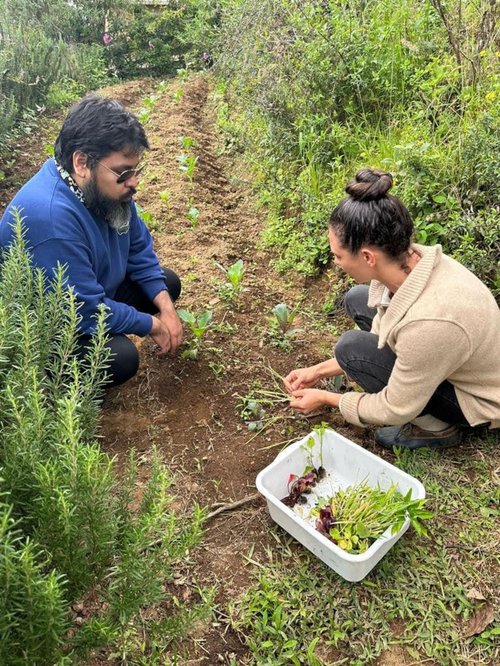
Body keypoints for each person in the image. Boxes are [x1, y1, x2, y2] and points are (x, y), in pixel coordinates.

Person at [285, 169, 500, 450]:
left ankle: (438, 430)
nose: (336, 262)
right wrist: (318, 372)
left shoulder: (430, 322)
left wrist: (327, 399)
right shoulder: (411, 260)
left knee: (351, 347)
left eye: (338, 256)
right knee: (358, 298)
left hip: (479, 397)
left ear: (367, 257)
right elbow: (386, 330)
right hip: (449, 357)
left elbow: (395, 408)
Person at [0, 94, 183, 387]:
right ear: (82, 162)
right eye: (123, 173)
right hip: (52, 328)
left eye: (136, 170)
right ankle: (54, 383)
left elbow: (138, 249)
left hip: (88, 289)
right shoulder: (50, 220)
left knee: (165, 285)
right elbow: (84, 309)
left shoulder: (104, 191)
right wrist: (150, 324)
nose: (133, 182)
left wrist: (167, 309)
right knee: (120, 357)